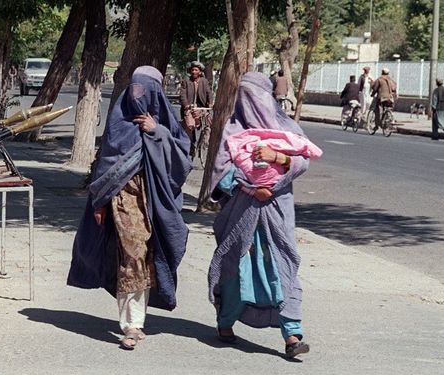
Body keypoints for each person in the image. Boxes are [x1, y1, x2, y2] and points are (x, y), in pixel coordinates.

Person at [68, 66, 192, 351]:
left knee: (148, 256)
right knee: (132, 253)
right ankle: (132, 325)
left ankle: (139, 318)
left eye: (146, 89)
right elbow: (108, 163)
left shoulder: (164, 122)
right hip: (123, 198)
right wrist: (99, 202)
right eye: (135, 88)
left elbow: (182, 159)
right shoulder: (120, 121)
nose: (139, 95)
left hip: (156, 202)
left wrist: (157, 132)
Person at [208, 72, 315, 358]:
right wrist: (250, 186)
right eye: (244, 96)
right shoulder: (232, 130)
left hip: (277, 210)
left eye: (255, 96)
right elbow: (221, 173)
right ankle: (226, 322)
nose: (250, 103)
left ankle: (292, 334)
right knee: (236, 266)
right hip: (240, 212)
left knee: (282, 265)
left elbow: (303, 160)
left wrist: (277, 159)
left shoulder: (286, 126)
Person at [179, 61, 214, 155]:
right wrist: (186, 104)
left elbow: (209, 93)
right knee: (190, 126)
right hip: (189, 108)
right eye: (193, 70)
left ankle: (205, 141)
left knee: (208, 123)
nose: (194, 72)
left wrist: (210, 103)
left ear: (200, 72)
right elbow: (182, 95)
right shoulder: (186, 81)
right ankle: (191, 144)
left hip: (201, 108)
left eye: (196, 70)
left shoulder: (204, 81)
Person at [370, 67, 397, 133]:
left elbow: (375, 88)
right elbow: (394, 88)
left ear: (382, 72)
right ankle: (389, 119)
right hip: (390, 98)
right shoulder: (391, 80)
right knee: (388, 108)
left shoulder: (379, 79)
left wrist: (372, 94)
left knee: (377, 110)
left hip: (382, 98)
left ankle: (377, 125)